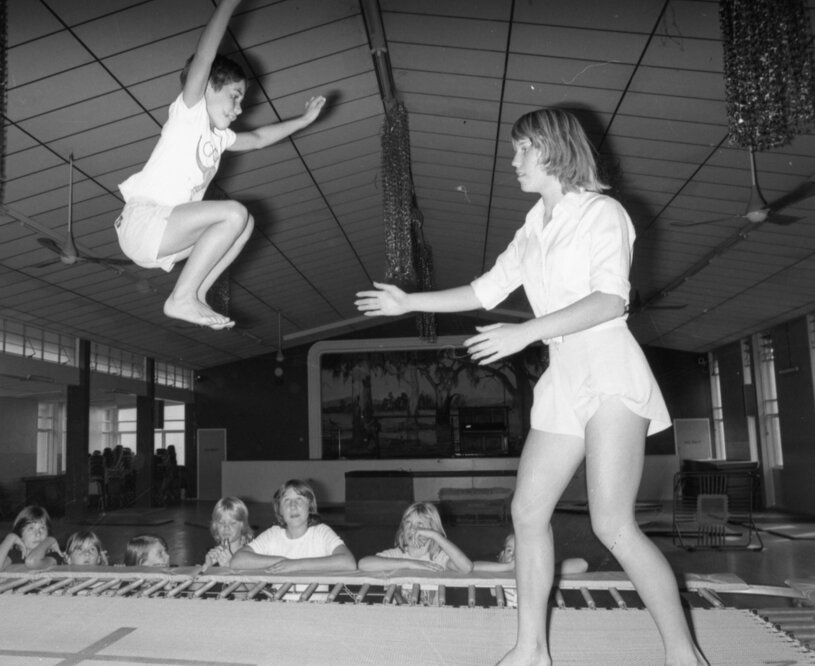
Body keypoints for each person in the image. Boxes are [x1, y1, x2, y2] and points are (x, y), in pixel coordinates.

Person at [355, 107, 707, 666]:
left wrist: (525, 335)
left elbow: (610, 299)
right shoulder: (533, 225)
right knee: (527, 512)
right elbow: (485, 289)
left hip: (609, 367)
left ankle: (684, 655)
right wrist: (409, 300)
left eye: (524, 149)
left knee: (611, 523)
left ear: (554, 150)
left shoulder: (601, 212)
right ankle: (531, 650)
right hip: (565, 375)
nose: (514, 159)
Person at [115, 0, 326, 330]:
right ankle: (181, 297)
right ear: (210, 87)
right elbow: (205, 56)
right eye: (235, 96)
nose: (239, 108)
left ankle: (194, 294)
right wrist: (228, 5)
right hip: (146, 222)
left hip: (165, 239)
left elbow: (256, 138)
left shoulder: (219, 138)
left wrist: (303, 120)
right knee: (233, 212)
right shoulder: (190, 113)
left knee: (246, 223)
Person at [230, 479, 355, 574]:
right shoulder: (273, 534)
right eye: (286, 500)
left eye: (299, 499)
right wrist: (281, 561)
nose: (293, 506)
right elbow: (237, 560)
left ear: (310, 506)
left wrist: (297, 564)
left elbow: (348, 562)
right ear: (280, 510)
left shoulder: (321, 532)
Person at [358, 501, 472, 573]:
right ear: (402, 530)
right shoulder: (398, 555)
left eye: (420, 524)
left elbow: (466, 567)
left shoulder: (437, 559)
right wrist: (411, 564)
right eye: (408, 523)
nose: (412, 529)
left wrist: (435, 535)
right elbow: (363, 564)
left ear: (432, 529)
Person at [0, 505, 63, 574]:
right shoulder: (15, 555)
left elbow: (32, 561)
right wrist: (11, 537)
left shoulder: (54, 556)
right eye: (31, 528)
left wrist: (50, 540)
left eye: (42, 528)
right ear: (20, 534)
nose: (38, 534)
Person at [201, 496, 254, 571]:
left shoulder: (250, 555)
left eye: (232, 523)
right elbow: (195, 582)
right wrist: (206, 566)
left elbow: (253, 581)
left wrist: (229, 565)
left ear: (242, 526)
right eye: (221, 523)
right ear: (215, 526)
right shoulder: (216, 555)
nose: (226, 527)